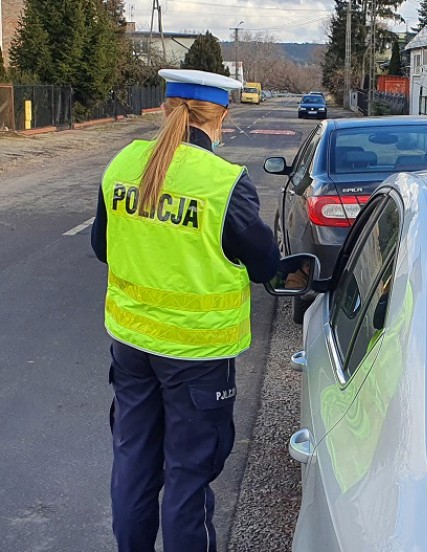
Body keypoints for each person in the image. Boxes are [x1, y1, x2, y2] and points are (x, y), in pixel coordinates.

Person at [90, 69, 281, 552]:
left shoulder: (124, 162)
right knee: (187, 478)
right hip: (197, 359)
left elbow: (102, 246)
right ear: (222, 118)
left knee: (133, 462)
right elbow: (265, 264)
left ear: (164, 109)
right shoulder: (223, 183)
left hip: (131, 348)